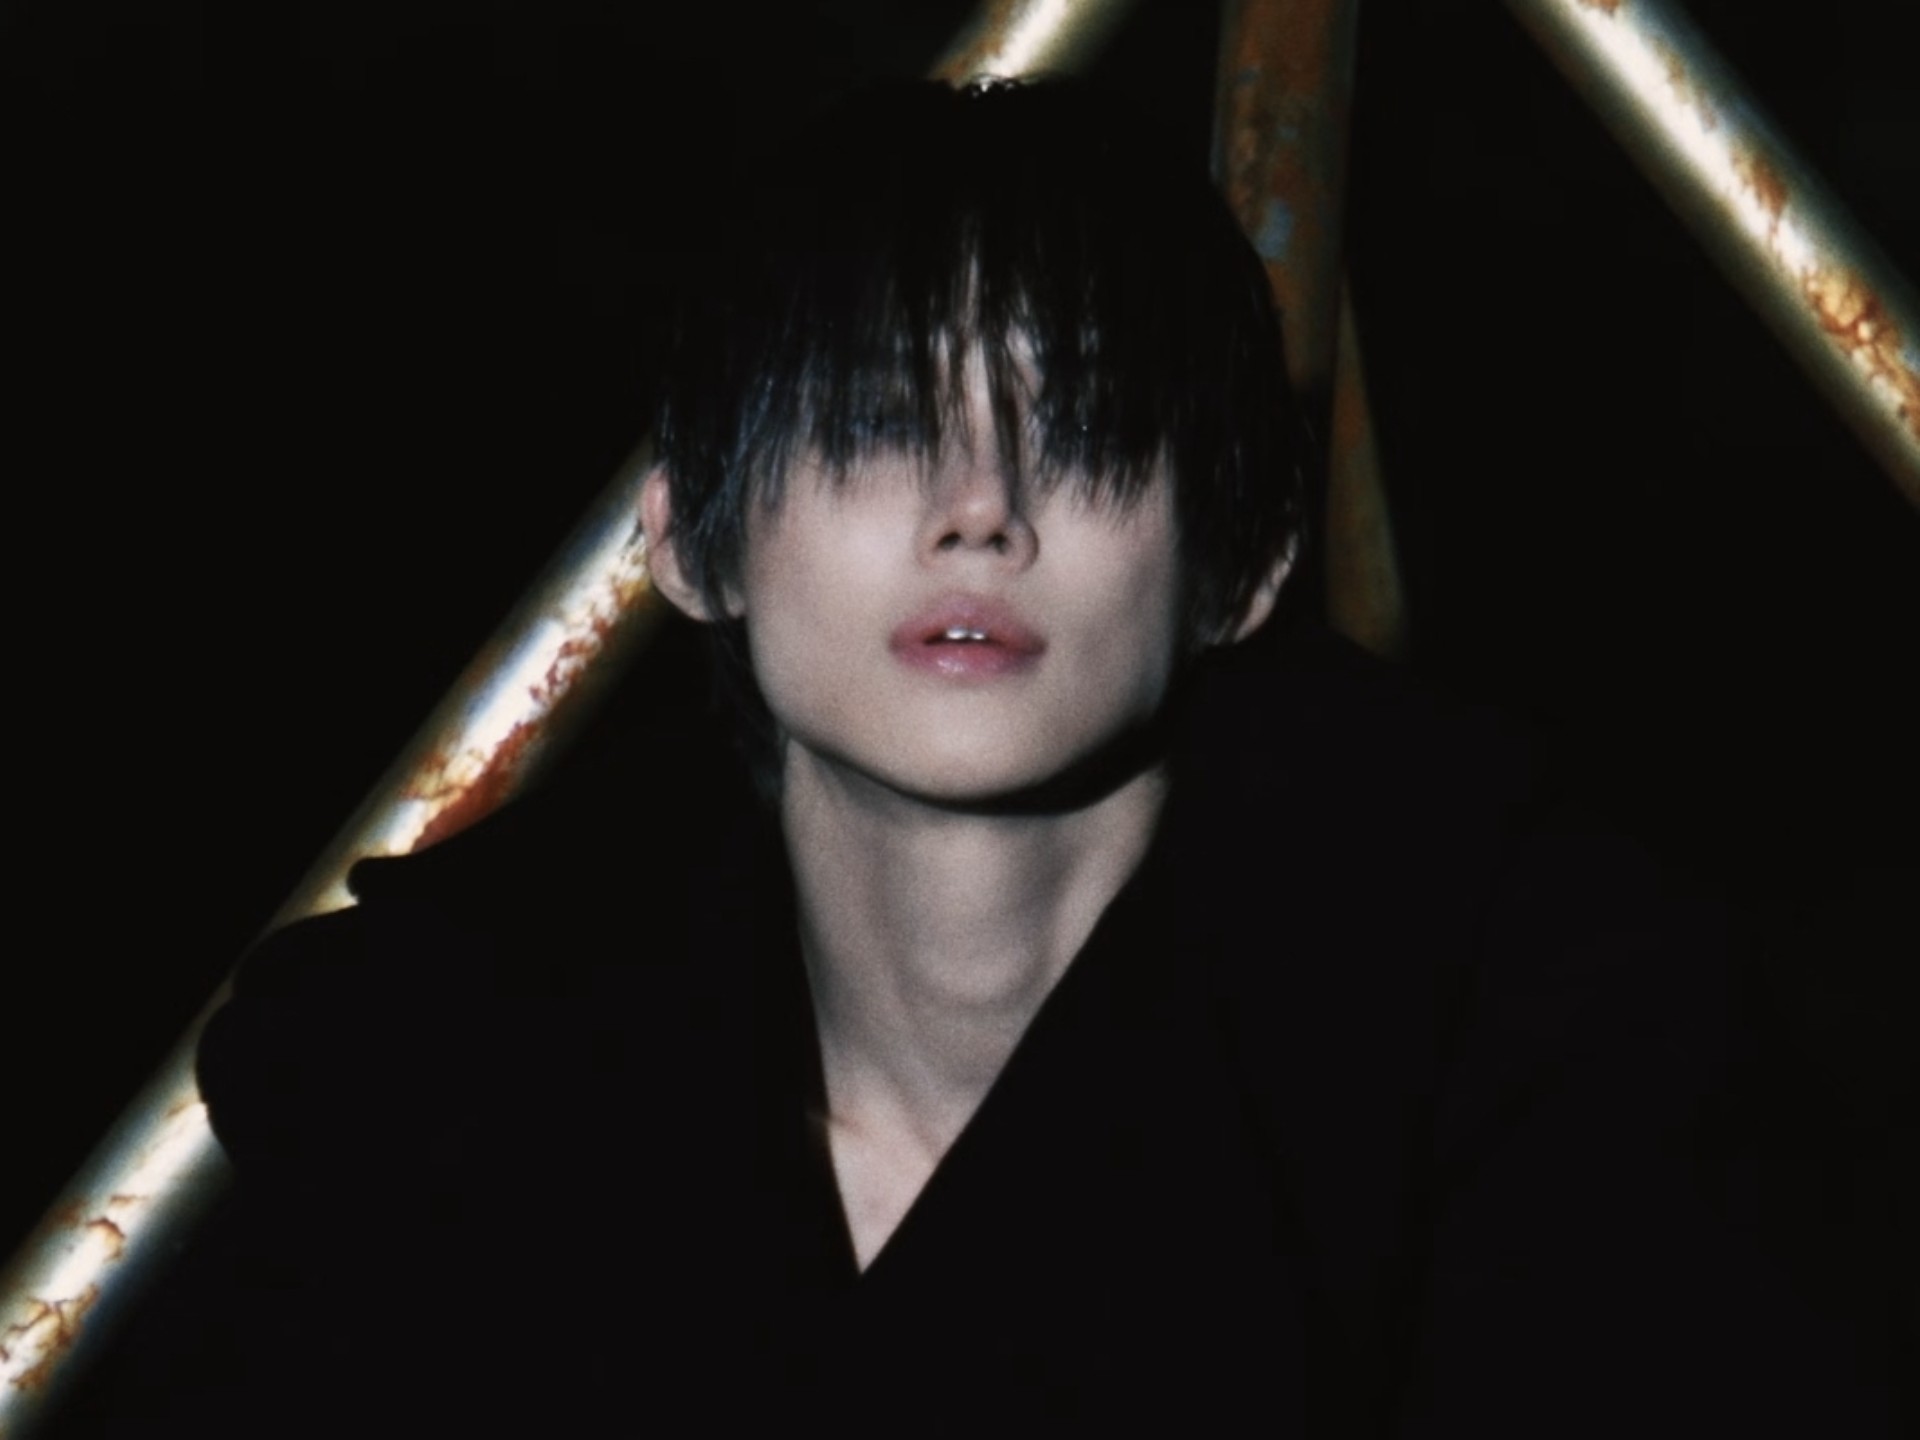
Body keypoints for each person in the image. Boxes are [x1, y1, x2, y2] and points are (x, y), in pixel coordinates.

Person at [98, 77, 1896, 1439]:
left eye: (1080, 426)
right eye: (882, 422)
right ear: (692, 543)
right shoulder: (443, 1081)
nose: (979, 513)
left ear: (1245, 565)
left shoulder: (1538, 1042)